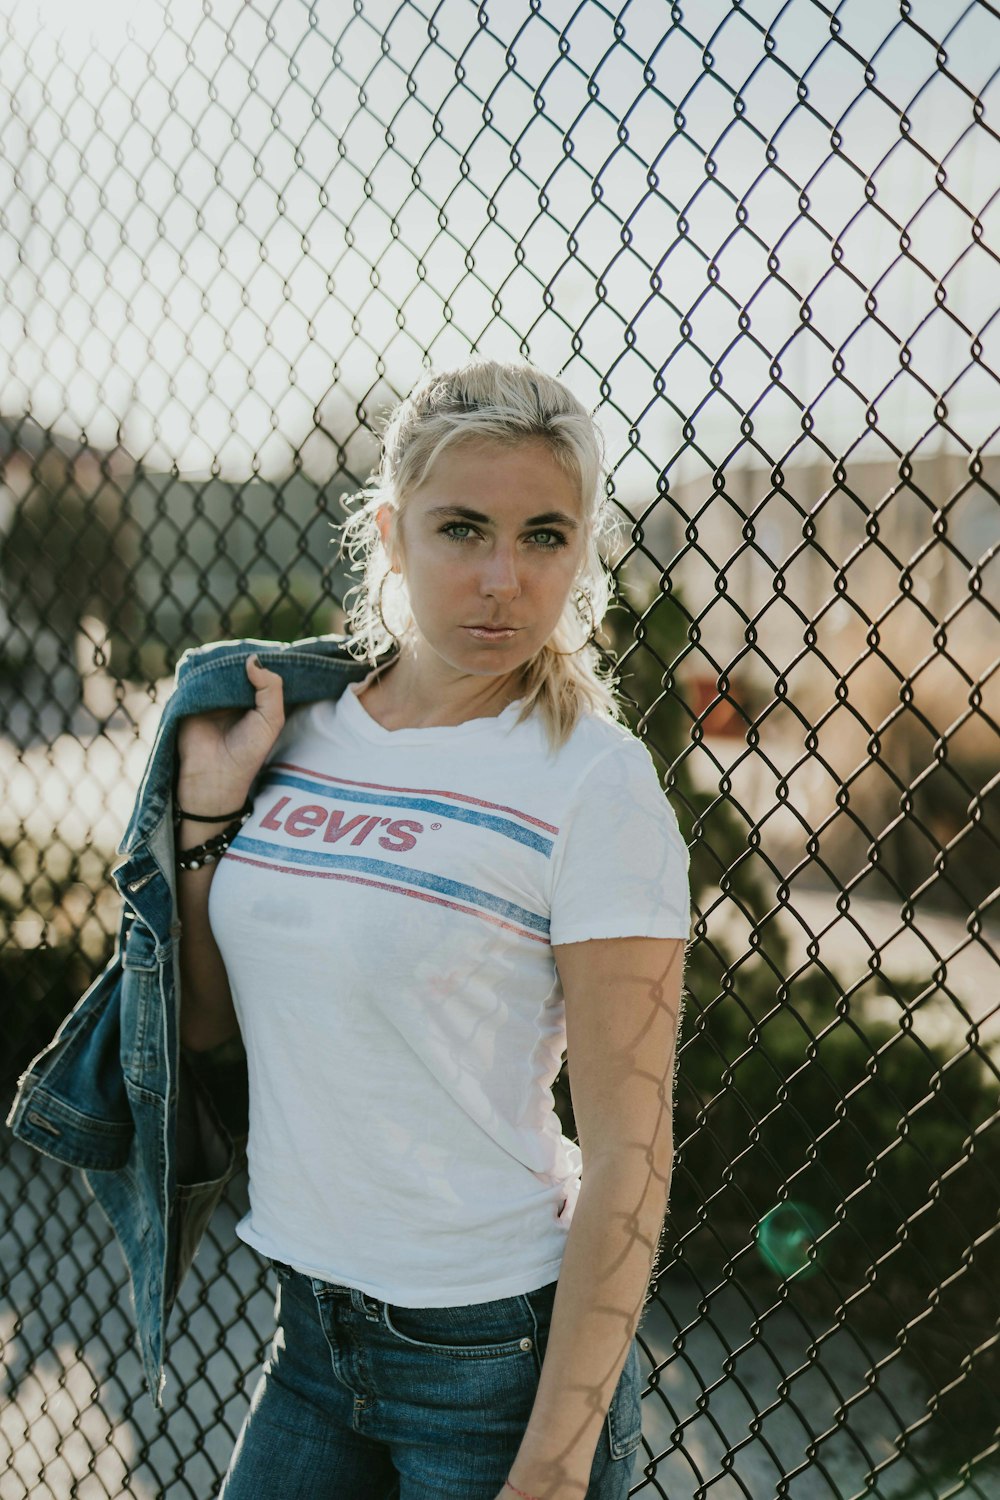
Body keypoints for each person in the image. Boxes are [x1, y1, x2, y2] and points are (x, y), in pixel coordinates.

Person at [174, 359, 691, 1500]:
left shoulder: (594, 783)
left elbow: (629, 1155)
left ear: (582, 550)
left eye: (544, 536)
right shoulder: (296, 732)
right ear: (389, 533)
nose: (503, 580)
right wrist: (208, 815)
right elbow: (209, 1018)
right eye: (463, 529)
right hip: (311, 1329)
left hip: (491, 1358)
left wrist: (552, 1468)